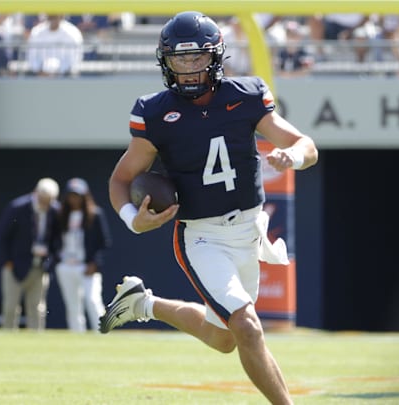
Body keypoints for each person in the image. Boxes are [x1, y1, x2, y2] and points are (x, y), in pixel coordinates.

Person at [100, 11, 318, 405]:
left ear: (215, 57)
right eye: (179, 60)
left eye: (196, 58)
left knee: (225, 340)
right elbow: (120, 179)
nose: (187, 69)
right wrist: (134, 221)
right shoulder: (155, 112)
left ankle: (141, 303)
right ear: (165, 62)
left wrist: (293, 156)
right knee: (249, 328)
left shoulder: (247, 95)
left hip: (249, 232)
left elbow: (306, 144)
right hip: (201, 235)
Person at [0, 177, 61, 330]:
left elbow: (58, 240)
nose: (45, 204)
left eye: (49, 201)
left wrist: (51, 260)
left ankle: (36, 343)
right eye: (43, 199)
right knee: (11, 306)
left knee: (37, 307)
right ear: (36, 193)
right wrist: (7, 261)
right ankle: (8, 339)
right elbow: (2, 235)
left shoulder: (55, 211)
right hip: (14, 265)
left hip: (40, 267)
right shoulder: (18, 207)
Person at [55, 178, 112, 332]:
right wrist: (58, 260)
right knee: (73, 305)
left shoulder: (95, 214)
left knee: (93, 300)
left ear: (85, 196)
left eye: (78, 195)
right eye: (71, 195)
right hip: (66, 266)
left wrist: (94, 263)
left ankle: (102, 333)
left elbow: (104, 242)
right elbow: (55, 241)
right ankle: (77, 335)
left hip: (87, 267)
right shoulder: (61, 215)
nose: (74, 199)